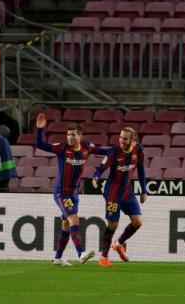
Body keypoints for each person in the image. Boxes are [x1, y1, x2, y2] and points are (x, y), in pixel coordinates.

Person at [36, 113, 103, 266]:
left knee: (66, 225)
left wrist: (116, 151)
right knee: (74, 219)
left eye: (72, 135)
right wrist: (40, 129)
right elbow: (41, 145)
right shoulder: (62, 148)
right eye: (68, 134)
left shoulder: (86, 146)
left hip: (74, 193)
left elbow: (102, 151)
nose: (69, 137)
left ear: (80, 136)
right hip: (62, 193)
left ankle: (58, 258)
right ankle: (81, 253)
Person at [91, 127, 147, 268]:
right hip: (113, 193)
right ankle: (103, 257)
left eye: (125, 138)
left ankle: (118, 244)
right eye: (120, 137)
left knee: (138, 222)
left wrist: (144, 190)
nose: (121, 140)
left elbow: (140, 169)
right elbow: (101, 167)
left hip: (127, 192)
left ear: (133, 141)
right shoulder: (114, 152)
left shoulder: (138, 150)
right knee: (113, 224)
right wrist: (96, 177)